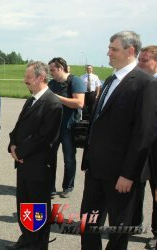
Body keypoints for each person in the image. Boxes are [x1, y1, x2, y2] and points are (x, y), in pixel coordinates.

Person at [80, 31, 157, 250]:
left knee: (118, 232)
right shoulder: (109, 80)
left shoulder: (145, 84)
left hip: (121, 176)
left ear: (130, 50)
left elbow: (144, 134)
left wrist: (128, 174)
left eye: (113, 49)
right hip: (95, 170)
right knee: (89, 224)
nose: (108, 53)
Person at [7, 61, 62, 250]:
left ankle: (38, 244)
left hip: (38, 165)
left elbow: (44, 137)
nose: (25, 81)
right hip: (23, 162)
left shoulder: (53, 103)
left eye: (28, 78)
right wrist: (13, 145)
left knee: (38, 207)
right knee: (24, 204)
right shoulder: (31, 100)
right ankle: (27, 238)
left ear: (41, 78)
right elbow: (18, 128)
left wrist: (20, 152)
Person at [47, 57, 85, 198]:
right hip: (53, 127)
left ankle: (68, 186)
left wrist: (56, 97)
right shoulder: (51, 83)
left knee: (69, 158)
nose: (50, 73)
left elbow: (79, 103)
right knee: (49, 157)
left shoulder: (75, 81)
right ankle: (50, 187)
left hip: (69, 127)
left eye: (52, 70)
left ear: (60, 68)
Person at [137, 45, 157, 249]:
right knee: (135, 186)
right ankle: (135, 222)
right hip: (140, 147)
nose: (139, 64)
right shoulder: (139, 85)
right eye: (139, 59)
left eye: (145, 60)